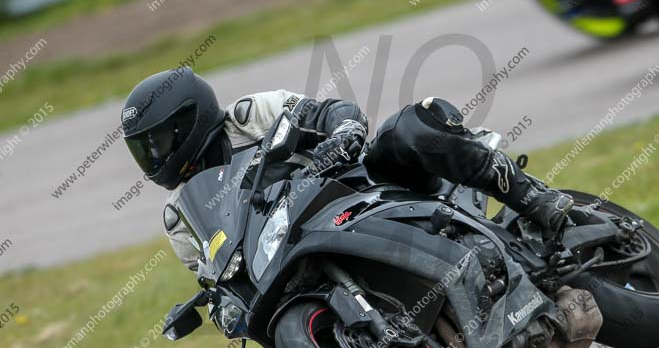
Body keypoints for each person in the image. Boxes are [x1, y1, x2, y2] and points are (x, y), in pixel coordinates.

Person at [121, 68, 573, 270]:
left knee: (412, 127)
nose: (154, 159)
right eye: (143, 151)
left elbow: (332, 111)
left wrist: (341, 137)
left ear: (188, 120)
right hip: (292, 251)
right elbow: (210, 271)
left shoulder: (248, 116)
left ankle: (534, 198)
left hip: (361, 189)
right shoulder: (180, 215)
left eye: (157, 144)